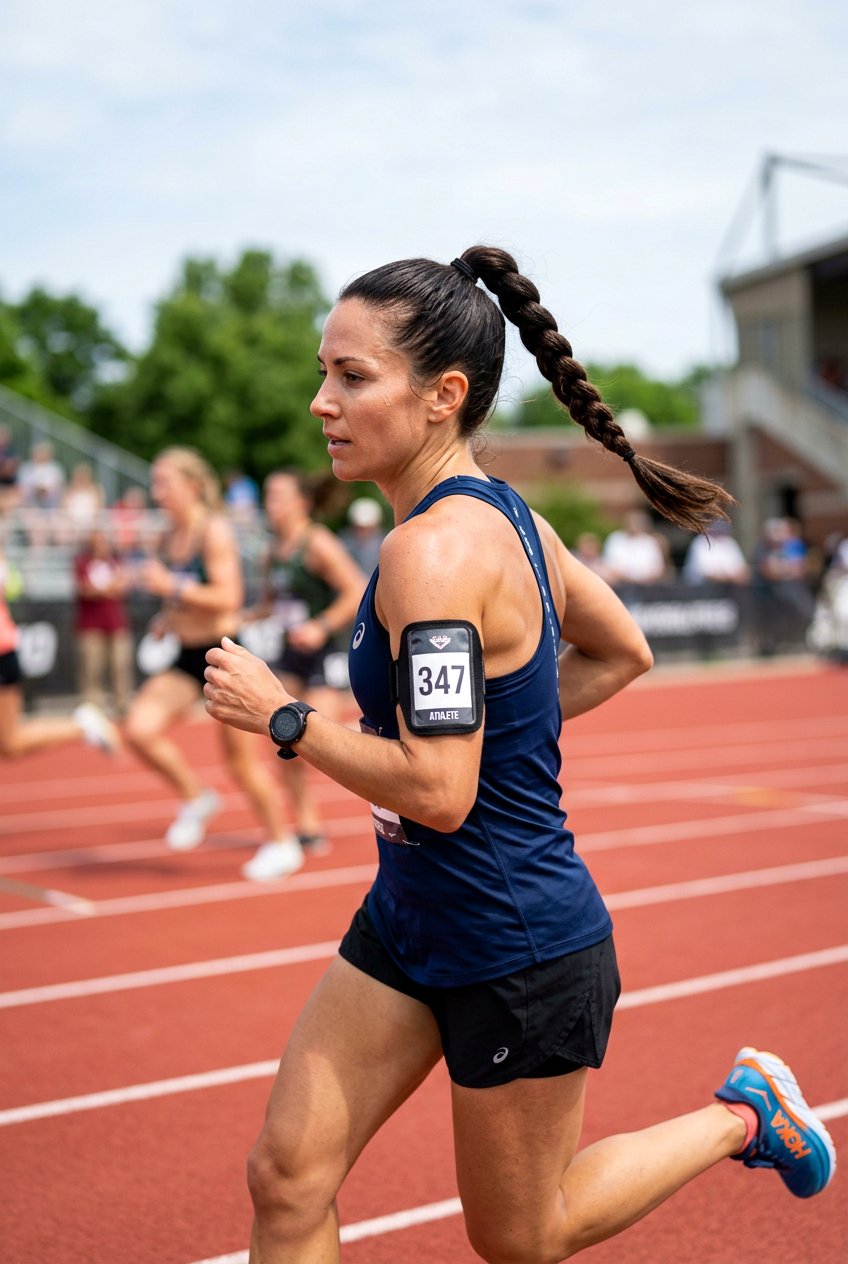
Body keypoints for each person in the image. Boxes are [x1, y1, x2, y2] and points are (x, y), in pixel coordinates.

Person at [203, 248, 835, 1262]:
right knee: (287, 1176)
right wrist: (479, 739)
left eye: (351, 376)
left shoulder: (433, 551)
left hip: (512, 942)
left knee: (521, 1236)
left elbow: (440, 792)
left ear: (442, 395)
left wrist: (286, 719)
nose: (320, 400)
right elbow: (620, 650)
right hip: (411, 918)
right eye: (322, 371)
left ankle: (742, 1116)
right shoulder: (507, 517)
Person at [124, 447, 292, 856]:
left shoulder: (212, 530)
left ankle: (282, 842)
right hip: (185, 655)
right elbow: (179, 592)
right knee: (138, 728)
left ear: (194, 486)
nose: (157, 491)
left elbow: (228, 596)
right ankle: (197, 796)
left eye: (165, 482)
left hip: (223, 653)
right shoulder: (167, 534)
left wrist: (171, 588)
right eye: (155, 483)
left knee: (239, 763)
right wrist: (167, 615)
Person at [239, 469, 367, 880]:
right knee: (284, 737)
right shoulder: (272, 550)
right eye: (268, 495)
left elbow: (357, 589)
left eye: (278, 495)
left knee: (319, 733)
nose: (270, 503)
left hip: (323, 654)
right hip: (289, 654)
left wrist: (321, 626)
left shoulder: (318, 543)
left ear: (301, 503)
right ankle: (307, 824)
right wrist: (241, 616)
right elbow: (270, 602)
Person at [0, 542, 119, 759]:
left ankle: (82, 726)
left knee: (10, 743)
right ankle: (83, 725)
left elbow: (9, 583)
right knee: (9, 745)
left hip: (3, 651)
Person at [74, 525, 134, 715]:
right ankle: (92, 708)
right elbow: (85, 590)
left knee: (120, 667)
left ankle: (122, 705)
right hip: (90, 626)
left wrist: (102, 589)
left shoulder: (115, 561)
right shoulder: (82, 563)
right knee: (92, 669)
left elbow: (123, 585)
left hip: (116, 624)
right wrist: (109, 589)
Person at [601, 508, 670, 586]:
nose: (634, 525)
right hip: (620, 585)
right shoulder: (615, 539)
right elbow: (609, 565)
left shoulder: (649, 542)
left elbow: (658, 569)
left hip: (647, 586)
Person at [339, 495, 385, 576]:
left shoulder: (385, 545)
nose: (362, 532)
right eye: (359, 527)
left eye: (368, 528)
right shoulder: (342, 544)